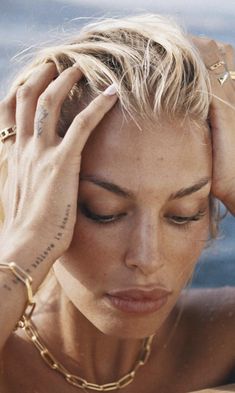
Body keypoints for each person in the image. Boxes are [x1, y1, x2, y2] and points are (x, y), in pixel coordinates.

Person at [0, 13, 235, 393]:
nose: (147, 256)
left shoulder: (223, 342)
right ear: (36, 195)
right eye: (104, 211)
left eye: (182, 214)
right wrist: (26, 241)